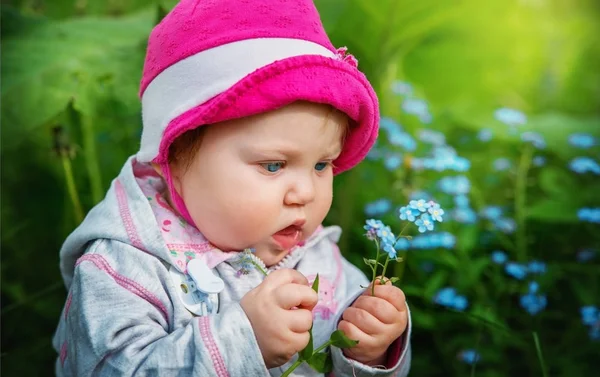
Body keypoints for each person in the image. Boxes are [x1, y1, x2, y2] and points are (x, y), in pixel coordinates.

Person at [52, 0, 412, 376]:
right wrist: (242, 342)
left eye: (322, 164)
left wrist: (368, 351)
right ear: (171, 160)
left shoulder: (319, 257)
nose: (305, 192)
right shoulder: (125, 266)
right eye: (273, 165)